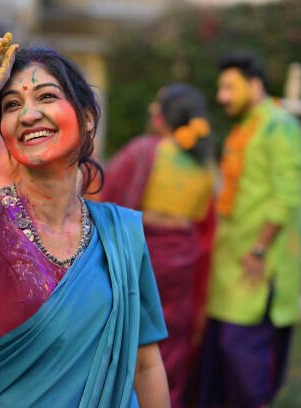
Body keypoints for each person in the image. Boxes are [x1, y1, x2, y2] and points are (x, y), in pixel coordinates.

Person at [0, 32, 170, 407]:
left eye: (46, 96)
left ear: (88, 120)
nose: (28, 114)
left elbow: (146, 366)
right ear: (5, 135)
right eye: (11, 105)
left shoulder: (120, 235)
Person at [196, 52, 301, 408]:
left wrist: (259, 250)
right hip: (228, 269)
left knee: (243, 365)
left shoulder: (280, 125)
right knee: (217, 370)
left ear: (254, 84)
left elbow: (286, 198)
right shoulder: (245, 127)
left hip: (257, 269)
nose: (222, 96)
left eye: (230, 86)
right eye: (220, 88)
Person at [101, 83, 216, 408]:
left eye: (158, 105)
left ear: (166, 116)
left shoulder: (145, 150)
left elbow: (108, 195)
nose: (152, 110)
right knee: (171, 337)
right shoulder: (205, 163)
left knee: (133, 333)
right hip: (184, 259)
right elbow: (200, 216)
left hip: (144, 253)